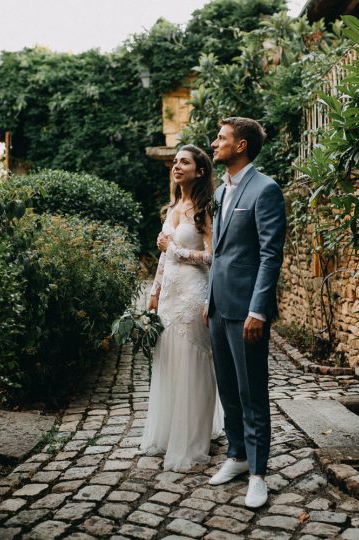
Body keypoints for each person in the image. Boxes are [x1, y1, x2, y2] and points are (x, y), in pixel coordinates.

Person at [203, 117, 286, 508]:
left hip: (247, 310)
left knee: (252, 391)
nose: (214, 143)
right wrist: (209, 301)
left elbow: (270, 256)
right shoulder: (221, 191)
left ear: (241, 146)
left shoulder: (265, 189)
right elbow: (219, 252)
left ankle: (257, 473)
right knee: (228, 389)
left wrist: (259, 309)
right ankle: (235, 456)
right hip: (218, 306)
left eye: (221, 138)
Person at [140, 145, 224, 472]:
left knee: (192, 362)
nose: (177, 166)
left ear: (199, 171)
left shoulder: (205, 209)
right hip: (170, 296)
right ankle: (167, 431)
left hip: (193, 294)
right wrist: (153, 292)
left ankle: (192, 438)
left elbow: (213, 256)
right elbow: (163, 257)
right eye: (175, 161)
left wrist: (174, 249)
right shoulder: (173, 206)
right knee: (169, 361)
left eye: (184, 162)